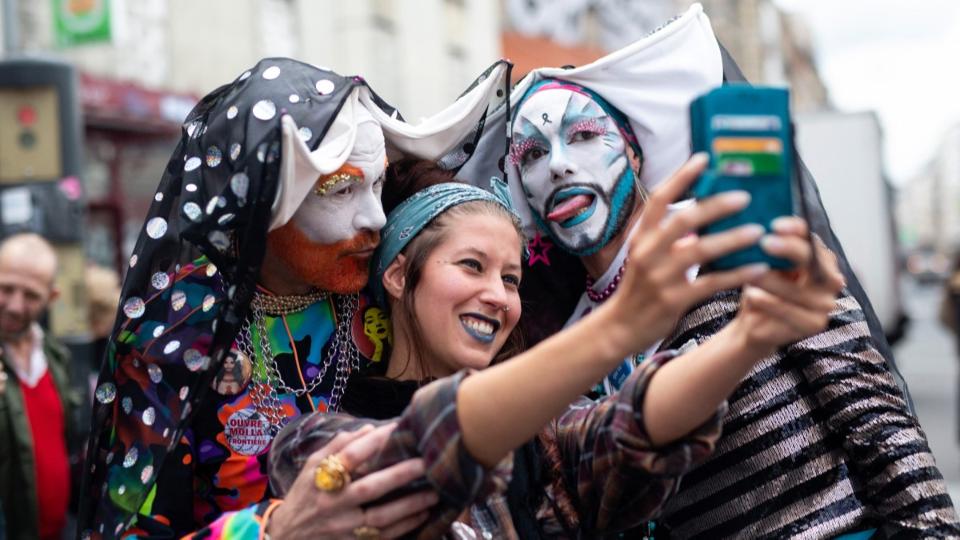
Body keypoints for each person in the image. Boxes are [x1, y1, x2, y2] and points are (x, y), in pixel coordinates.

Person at [496, 5, 959, 538]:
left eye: (581, 137)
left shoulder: (747, 258)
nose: (556, 165)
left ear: (634, 151)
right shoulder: (566, 345)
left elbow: (885, 436)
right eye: (531, 152)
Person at [267, 156, 846, 538]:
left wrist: (749, 337)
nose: (498, 297)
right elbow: (429, 446)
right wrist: (621, 324)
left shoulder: (537, 441)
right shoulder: (315, 441)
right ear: (397, 276)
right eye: (472, 266)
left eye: (513, 280)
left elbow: (628, 427)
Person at [79, 57, 512, 539]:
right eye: (341, 188)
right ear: (267, 194)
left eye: (377, 184)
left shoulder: (383, 289)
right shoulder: (178, 328)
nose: (374, 217)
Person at [0, 233, 86, 540]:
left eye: (31, 295)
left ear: (51, 298)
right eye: (6, 288)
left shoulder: (55, 357)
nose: (14, 305)